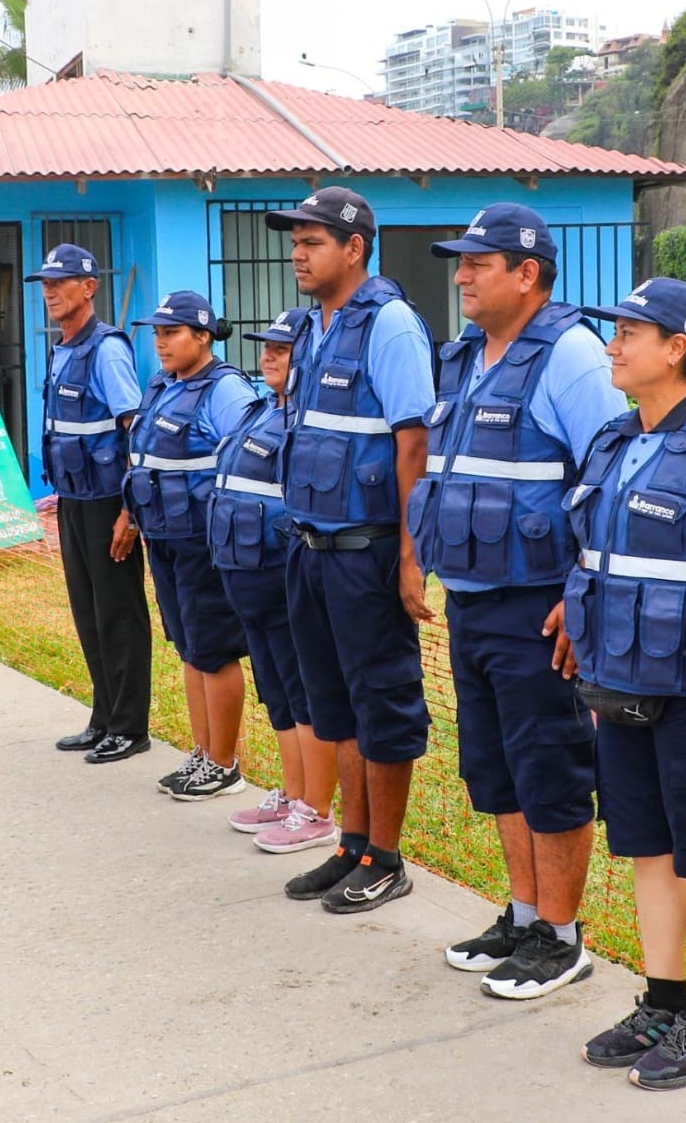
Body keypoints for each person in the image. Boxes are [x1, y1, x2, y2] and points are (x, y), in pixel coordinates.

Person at [410, 203, 625, 995]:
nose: (460, 275)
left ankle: (563, 938)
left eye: (477, 262)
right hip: (473, 600)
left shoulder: (568, 355)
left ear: (527, 273)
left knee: (550, 768)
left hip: (539, 609)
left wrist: (583, 593)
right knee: (498, 770)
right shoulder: (468, 356)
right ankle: (527, 913)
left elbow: (611, 478)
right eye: (459, 261)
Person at [562, 279, 686, 1088]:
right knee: (646, 848)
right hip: (619, 681)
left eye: (629, 333)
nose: (613, 344)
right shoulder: (617, 439)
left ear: (676, 348)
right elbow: (598, 554)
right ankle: (663, 998)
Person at [266, 186, 435, 913]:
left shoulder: (389, 325)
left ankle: (387, 856)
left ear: (354, 246)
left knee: (381, 703)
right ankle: (352, 845)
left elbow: (414, 443)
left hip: (366, 551)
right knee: (332, 701)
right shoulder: (312, 327)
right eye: (294, 242)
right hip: (310, 546)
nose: (297, 254)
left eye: (312, 243)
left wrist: (409, 555)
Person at [207, 308, 340, 851]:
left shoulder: (309, 420)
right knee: (277, 690)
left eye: (281, 350)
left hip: (282, 573)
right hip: (245, 574)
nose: (268, 357)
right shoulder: (259, 410)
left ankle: (317, 808)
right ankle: (291, 793)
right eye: (266, 347)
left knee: (305, 689)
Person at [124, 290, 259, 794]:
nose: (160, 343)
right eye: (157, 333)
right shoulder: (163, 384)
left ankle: (224, 765)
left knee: (214, 650)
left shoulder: (224, 390)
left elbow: (248, 457)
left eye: (171, 332)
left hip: (203, 542)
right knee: (188, 648)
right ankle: (202, 753)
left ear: (202, 336)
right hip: (164, 535)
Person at [27, 244, 153, 766]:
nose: (51, 292)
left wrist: (131, 512)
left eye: (61, 282)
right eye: (45, 284)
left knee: (120, 614)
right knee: (90, 613)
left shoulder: (106, 350)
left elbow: (135, 431)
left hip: (108, 504)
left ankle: (130, 727)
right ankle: (103, 718)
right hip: (74, 501)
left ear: (90, 288)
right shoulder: (61, 349)